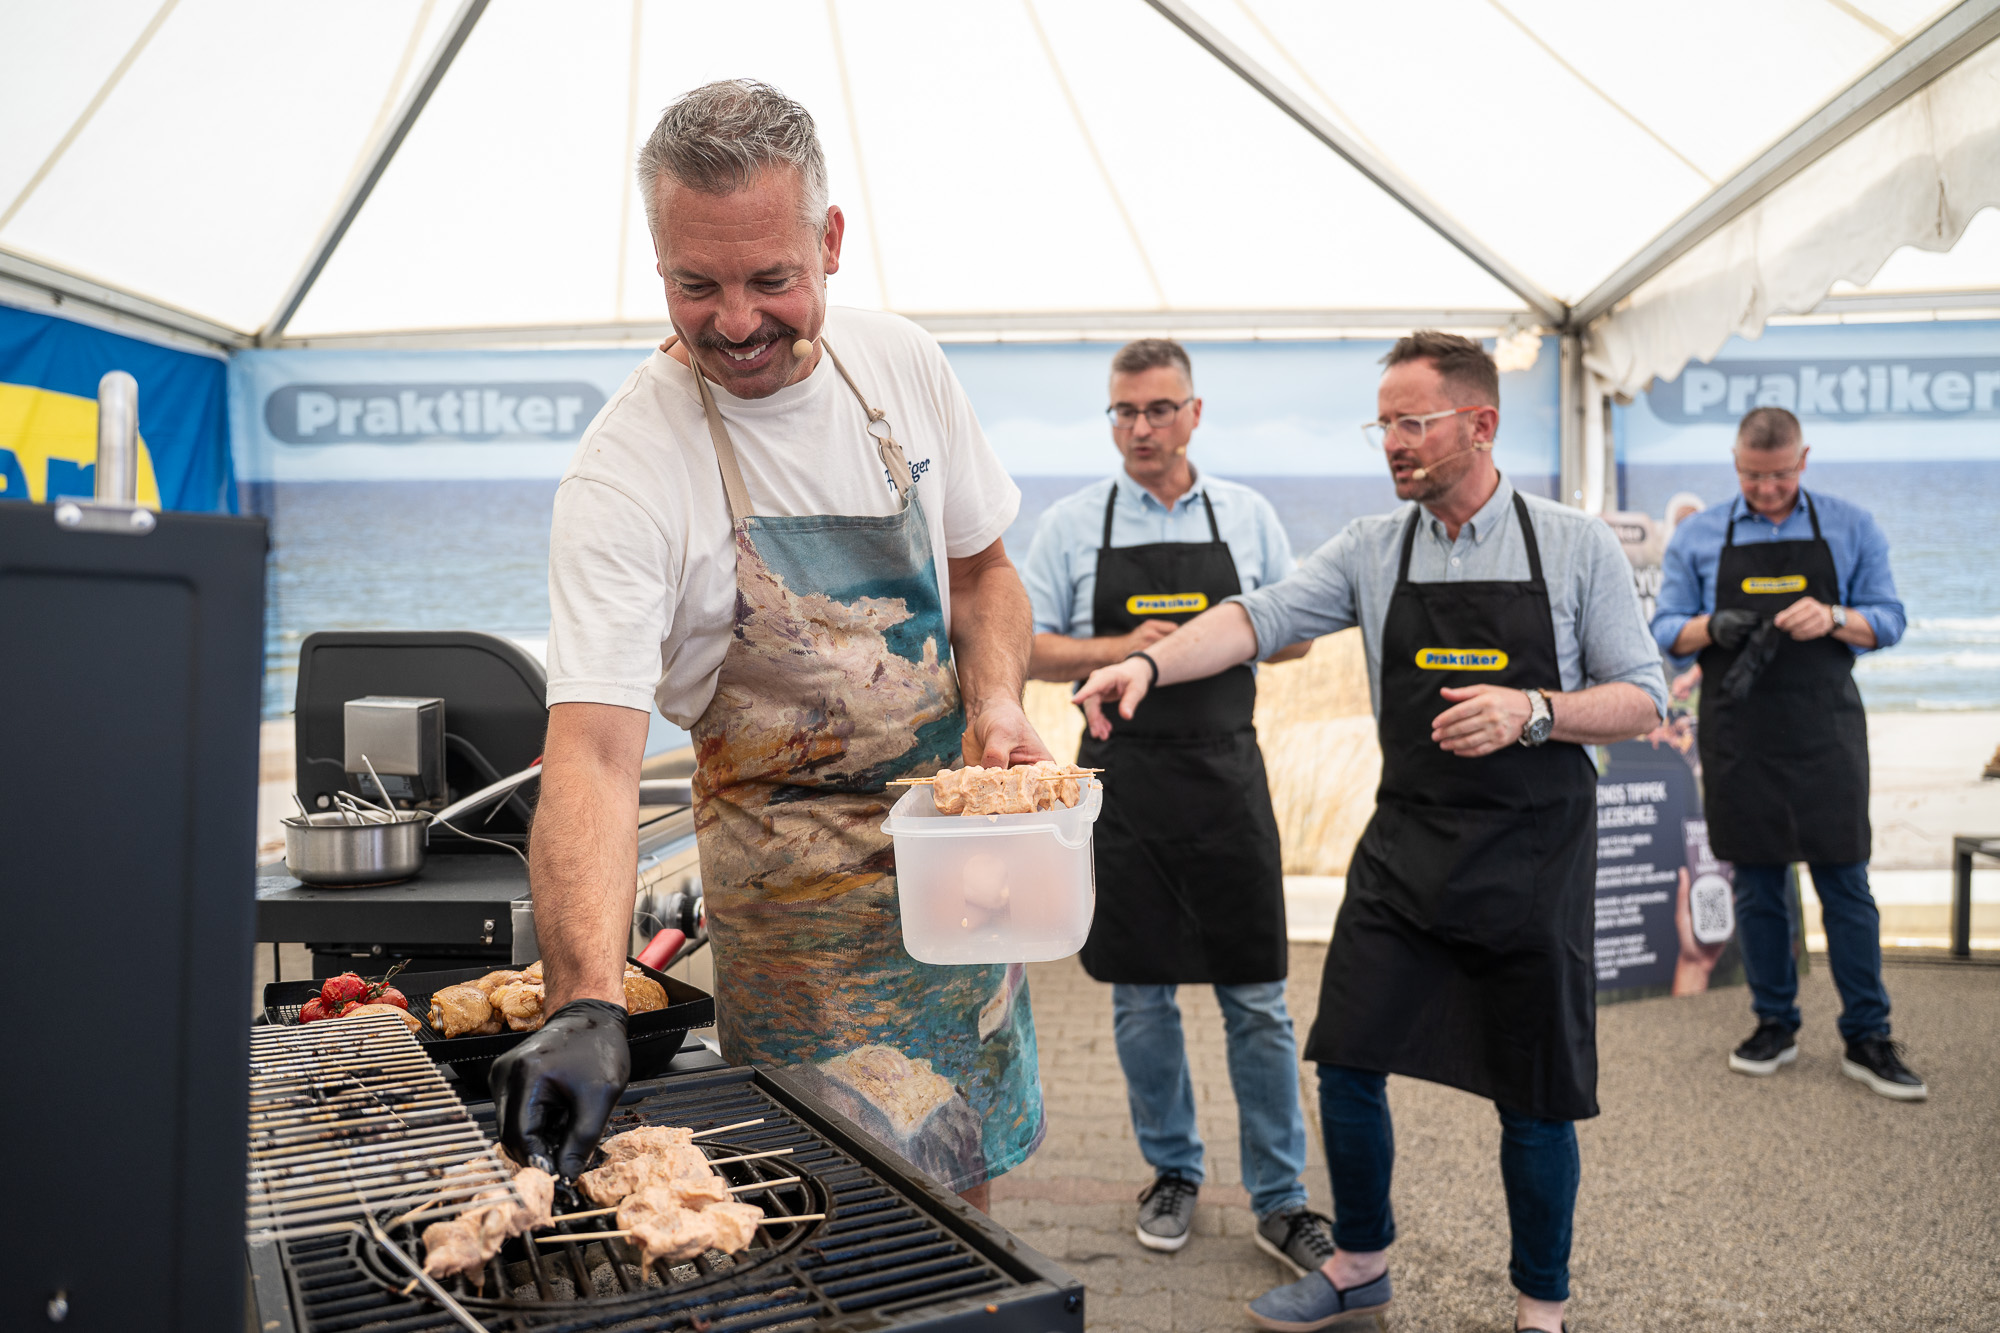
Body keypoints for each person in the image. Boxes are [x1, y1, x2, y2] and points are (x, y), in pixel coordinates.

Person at [490, 81, 1053, 1208]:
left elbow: (985, 573)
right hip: (798, 927)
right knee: (840, 1214)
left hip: (958, 881)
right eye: (696, 285)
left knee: (968, 1190)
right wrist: (587, 1001)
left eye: (771, 280)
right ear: (658, 263)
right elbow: (592, 753)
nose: (738, 322)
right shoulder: (625, 472)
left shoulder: (899, 365)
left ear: (830, 242)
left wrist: (997, 701)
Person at [1075, 331, 1666, 1333]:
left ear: (1479, 424)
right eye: (1382, 423)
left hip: (1533, 853)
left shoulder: (1573, 545)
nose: (1392, 441)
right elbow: (1257, 617)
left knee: (1535, 1096)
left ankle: (1540, 1307)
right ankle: (1358, 1265)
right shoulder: (1371, 547)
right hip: (1407, 848)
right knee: (1346, 1058)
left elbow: (1643, 698)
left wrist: (1534, 710)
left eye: (1412, 422)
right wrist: (1147, 665)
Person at [1020, 338, 1330, 1273]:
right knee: (1141, 994)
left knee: (1257, 997)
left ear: (1195, 412)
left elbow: (1295, 637)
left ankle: (1282, 1196)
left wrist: (1206, 639)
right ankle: (1173, 1171)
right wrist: (1117, 647)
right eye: (1125, 411)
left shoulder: (1248, 515)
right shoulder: (1074, 523)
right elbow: (1029, 647)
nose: (1141, 427)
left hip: (1227, 775)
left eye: (1159, 409)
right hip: (1124, 784)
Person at [1651, 406, 1923, 1100]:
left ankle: (1868, 1034)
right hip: (1739, 734)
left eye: (1779, 475)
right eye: (1752, 476)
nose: (1766, 489)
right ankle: (1774, 1021)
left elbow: (1890, 618)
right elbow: (1664, 629)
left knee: (1846, 883)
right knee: (1758, 883)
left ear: (1803, 461)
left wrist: (1834, 617)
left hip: (1824, 731)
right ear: (1735, 463)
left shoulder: (1851, 525)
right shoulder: (1700, 535)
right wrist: (1711, 626)